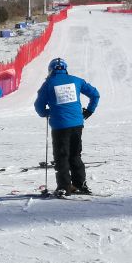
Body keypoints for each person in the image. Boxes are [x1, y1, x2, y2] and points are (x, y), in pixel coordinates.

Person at [34, 57, 100, 196]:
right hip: (77, 124)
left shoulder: (48, 83)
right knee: (75, 155)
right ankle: (80, 184)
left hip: (60, 125)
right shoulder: (76, 80)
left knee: (62, 156)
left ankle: (64, 187)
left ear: (50, 70)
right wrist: (89, 111)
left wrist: (46, 112)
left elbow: (38, 106)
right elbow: (95, 94)